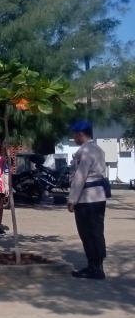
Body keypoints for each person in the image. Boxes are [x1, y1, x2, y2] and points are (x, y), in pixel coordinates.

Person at [67, 120, 109, 280]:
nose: (74, 138)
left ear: (80, 134)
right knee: (97, 232)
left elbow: (80, 176)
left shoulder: (85, 151)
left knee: (87, 233)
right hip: (99, 197)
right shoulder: (98, 149)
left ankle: (94, 268)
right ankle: (97, 266)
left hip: (86, 198)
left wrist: (72, 199)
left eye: (74, 134)